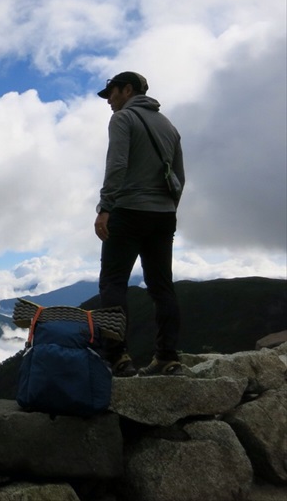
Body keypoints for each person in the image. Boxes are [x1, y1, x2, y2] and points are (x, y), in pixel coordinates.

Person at [94, 71, 186, 377]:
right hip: (163, 216)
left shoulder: (123, 119)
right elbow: (180, 177)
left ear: (127, 90)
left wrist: (105, 207)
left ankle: (117, 358)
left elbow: (117, 165)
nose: (109, 100)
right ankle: (167, 358)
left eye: (111, 93)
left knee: (113, 283)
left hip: (128, 211)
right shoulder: (169, 126)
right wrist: (167, 209)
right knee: (162, 287)